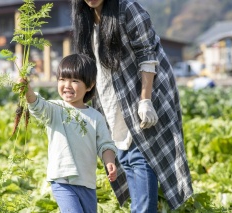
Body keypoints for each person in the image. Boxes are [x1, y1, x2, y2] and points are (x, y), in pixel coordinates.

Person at [71, 0, 193, 211]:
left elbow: (148, 54)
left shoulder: (127, 9)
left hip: (142, 93)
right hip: (111, 98)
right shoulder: (85, 18)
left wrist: (145, 100)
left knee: (141, 155)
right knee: (125, 156)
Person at [22, 54, 129, 213]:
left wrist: (109, 162)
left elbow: (105, 144)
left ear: (90, 85)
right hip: (62, 180)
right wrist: (27, 89)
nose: (67, 85)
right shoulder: (55, 109)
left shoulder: (96, 117)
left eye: (74, 81)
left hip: (87, 182)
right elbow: (37, 105)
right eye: (62, 79)